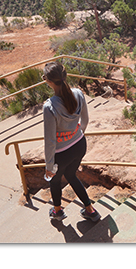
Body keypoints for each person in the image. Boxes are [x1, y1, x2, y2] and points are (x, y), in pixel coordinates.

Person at [42, 61, 100, 222]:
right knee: (70, 174)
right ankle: (90, 210)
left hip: (61, 154)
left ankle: (58, 211)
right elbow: (85, 120)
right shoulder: (78, 93)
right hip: (80, 145)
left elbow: (50, 140)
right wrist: (76, 136)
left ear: (49, 81)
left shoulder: (50, 106)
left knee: (54, 181)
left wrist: (48, 166)